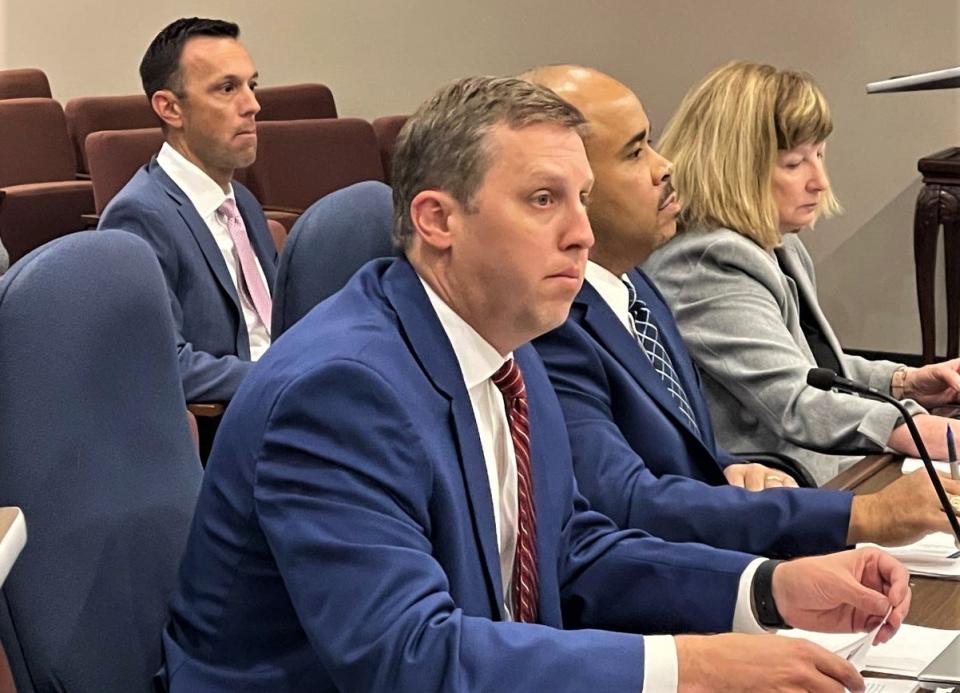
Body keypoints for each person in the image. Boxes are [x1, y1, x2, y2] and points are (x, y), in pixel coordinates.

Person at [160, 75, 908, 692]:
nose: (581, 231)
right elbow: (408, 655)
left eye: (582, 198)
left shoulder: (508, 344)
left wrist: (769, 588)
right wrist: (692, 665)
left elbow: (572, 551)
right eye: (544, 200)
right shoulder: (340, 392)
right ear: (437, 219)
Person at [527, 65, 960, 554]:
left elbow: (799, 376)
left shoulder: (636, 285)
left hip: (754, 507)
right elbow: (627, 502)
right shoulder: (697, 263)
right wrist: (873, 494)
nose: (665, 164)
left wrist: (899, 383)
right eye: (795, 162)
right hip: (738, 525)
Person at [644, 60, 960, 484]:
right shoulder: (708, 262)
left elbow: (810, 365)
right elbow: (792, 400)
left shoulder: (776, 241)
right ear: (735, 167)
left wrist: (905, 382)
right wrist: (917, 429)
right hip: (780, 489)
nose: (820, 181)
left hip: (829, 469)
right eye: (794, 164)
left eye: (820, 156)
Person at [99, 17, 276, 404]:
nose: (253, 105)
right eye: (228, 88)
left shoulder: (241, 200)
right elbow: (164, 363)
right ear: (170, 108)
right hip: (231, 427)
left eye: (252, 85)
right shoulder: (139, 215)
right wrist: (281, 377)